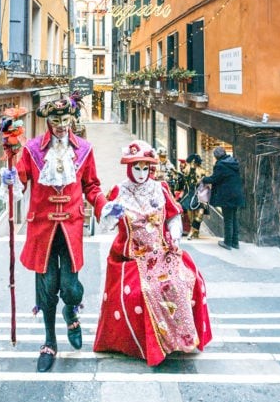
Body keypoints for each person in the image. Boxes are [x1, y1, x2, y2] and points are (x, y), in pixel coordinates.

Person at [93, 140, 212, 366]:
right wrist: (111, 213)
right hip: (130, 258)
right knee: (144, 292)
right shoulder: (119, 191)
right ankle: (147, 344)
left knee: (183, 282)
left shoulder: (160, 189)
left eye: (145, 168)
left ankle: (178, 339)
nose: (140, 173)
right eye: (136, 168)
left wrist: (175, 236)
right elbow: (106, 225)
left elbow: (174, 216)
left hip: (161, 255)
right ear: (129, 168)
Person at [17, 95, 107, 372]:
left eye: (64, 120)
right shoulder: (31, 149)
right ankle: (49, 341)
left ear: (72, 120)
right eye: (54, 120)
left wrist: (105, 206)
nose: (59, 125)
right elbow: (19, 181)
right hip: (42, 228)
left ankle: (72, 311)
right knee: (46, 289)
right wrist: (9, 181)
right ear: (48, 121)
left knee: (69, 286)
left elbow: (91, 186)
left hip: (71, 227)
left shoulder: (84, 150)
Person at [202, 146, 245, 250]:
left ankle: (227, 243)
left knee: (228, 219)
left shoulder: (221, 165)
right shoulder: (232, 162)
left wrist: (204, 179)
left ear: (216, 157)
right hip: (236, 195)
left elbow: (215, 178)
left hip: (227, 196)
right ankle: (235, 242)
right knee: (233, 218)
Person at [183, 154, 210, 240]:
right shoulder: (186, 170)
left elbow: (207, 183)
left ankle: (192, 231)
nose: (193, 164)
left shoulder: (202, 171)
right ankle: (195, 232)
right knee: (191, 215)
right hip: (189, 194)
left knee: (199, 214)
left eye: (195, 162)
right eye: (191, 162)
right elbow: (183, 181)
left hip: (200, 194)